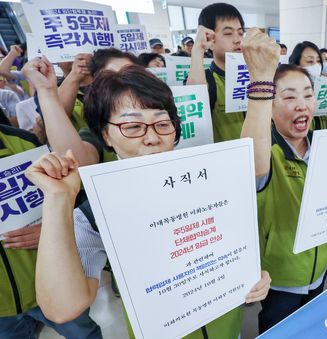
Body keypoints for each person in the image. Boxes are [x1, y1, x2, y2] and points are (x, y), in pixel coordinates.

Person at [25, 61, 271, 339]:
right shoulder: (98, 211)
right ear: (105, 134)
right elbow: (63, 309)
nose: (152, 137)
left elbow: (232, 236)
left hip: (228, 329)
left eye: (163, 123)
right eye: (132, 126)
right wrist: (58, 199)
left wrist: (249, 273)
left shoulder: (206, 183)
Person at [239, 29, 327, 333]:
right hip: (282, 278)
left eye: (307, 94)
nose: (302, 104)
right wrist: (261, 80)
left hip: (320, 271)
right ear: (270, 108)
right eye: (288, 97)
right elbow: (250, 166)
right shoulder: (268, 153)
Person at [0, 122, 102, 339]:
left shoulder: (21, 141)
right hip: (3, 306)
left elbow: (70, 190)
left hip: (56, 276)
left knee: (83, 332)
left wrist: (56, 227)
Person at [186, 3, 247, 143]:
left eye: (240, 33)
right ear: (210, 40)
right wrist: (198, 49)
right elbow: (195, 101)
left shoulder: (255, 75)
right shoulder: (207, 79)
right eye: (228, 33)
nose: (238, 39)